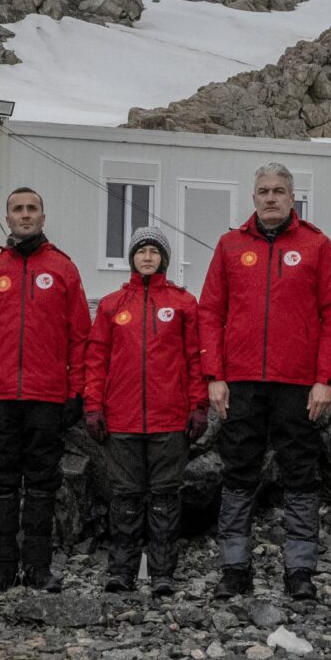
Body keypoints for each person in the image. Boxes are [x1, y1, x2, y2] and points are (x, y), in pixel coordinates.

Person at [199, 163, 331, 602]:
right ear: (253, 196)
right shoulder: (229, 246)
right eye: (263, 190)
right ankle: (234, 567)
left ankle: (300, 570)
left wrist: (324, 379)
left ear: (292, 196)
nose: (270, 198)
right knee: (238, 472)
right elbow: (210, 312)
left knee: (301, 474)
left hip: (298, 384)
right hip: (241, 382)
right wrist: (215, 375)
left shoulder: (316, 245)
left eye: (279, 191)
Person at [0, 186, 91, 591]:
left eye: (32, 208)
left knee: (42, 484)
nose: (25, 214)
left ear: (43, 216)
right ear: (8, 218)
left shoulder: (64, 270)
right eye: (17, 209)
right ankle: (1, 569)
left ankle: (38, 568)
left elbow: (80, 337)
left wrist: (76, 391)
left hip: (46, 396)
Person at [84, 227, 207, 595]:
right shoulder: (111, 305)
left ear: (164, 258)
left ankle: (162, 573)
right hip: (121, 419)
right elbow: (96, 359)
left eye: (154, 250)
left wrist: (198, 406)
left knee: (165, 497)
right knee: (124, 497)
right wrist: (93, 406)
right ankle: (120, 570)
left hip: (169, 420)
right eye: (141, 251)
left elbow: (195, 359)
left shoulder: (184, 304)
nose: (148, 257)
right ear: (132, 258)